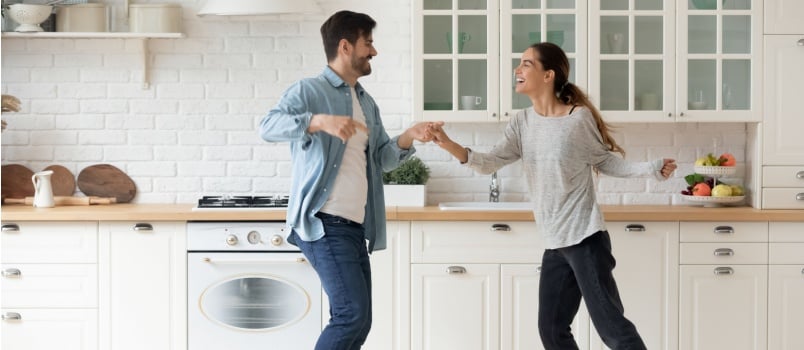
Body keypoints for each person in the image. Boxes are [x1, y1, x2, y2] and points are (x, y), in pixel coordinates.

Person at [427, 42, 677, 350]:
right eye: (519, 63)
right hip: (554, 243)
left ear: (549, 75)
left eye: (526, 64)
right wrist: (447, 142)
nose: (517, 70)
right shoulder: (522, 122)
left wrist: (650, 168)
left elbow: (604, 160)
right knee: (552, 330)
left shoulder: (577, 119)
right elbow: (489, 162)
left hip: (585, 240)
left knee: (613, 329)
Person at [259, 10, 439, 350]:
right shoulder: (309, 90)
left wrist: (409, 136)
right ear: (345, 46)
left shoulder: (365, 101)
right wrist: (318, 122)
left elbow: (384, 158)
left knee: (360, 320)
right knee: (351, 315)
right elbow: (267, 126)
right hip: (323, 222)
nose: (374, 51)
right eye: (368, 42)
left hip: (355, 226)